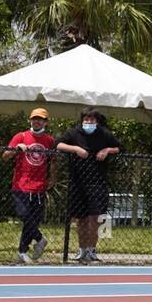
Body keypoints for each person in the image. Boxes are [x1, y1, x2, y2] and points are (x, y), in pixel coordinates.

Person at [55, 108, 121, 263]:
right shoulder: (73, 133)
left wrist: (107, 150)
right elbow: (58, 144)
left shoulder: (104, 134)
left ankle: (92, 250)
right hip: (78, 182)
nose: (88, 122)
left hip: (98, 182)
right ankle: (82, 249)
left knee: (96, 217)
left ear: (96, 122)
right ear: (82, 120)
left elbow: (119, 147)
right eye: (86, 120)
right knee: (81, 218)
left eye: (92, 120)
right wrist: (75, 149)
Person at [4, 107, 56, 264]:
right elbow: (5, 156)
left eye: (40, 119)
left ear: (46, 122)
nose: (37, 121)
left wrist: (52, 179)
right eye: (34, 118)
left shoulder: (49, 140)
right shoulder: (21, 136)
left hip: (39, 186)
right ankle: (40, 239)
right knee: (23, 214)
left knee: (32, 220)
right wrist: (15, 149)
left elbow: (54, 161)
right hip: (21, 185)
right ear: (30, 120)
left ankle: (22, 251)